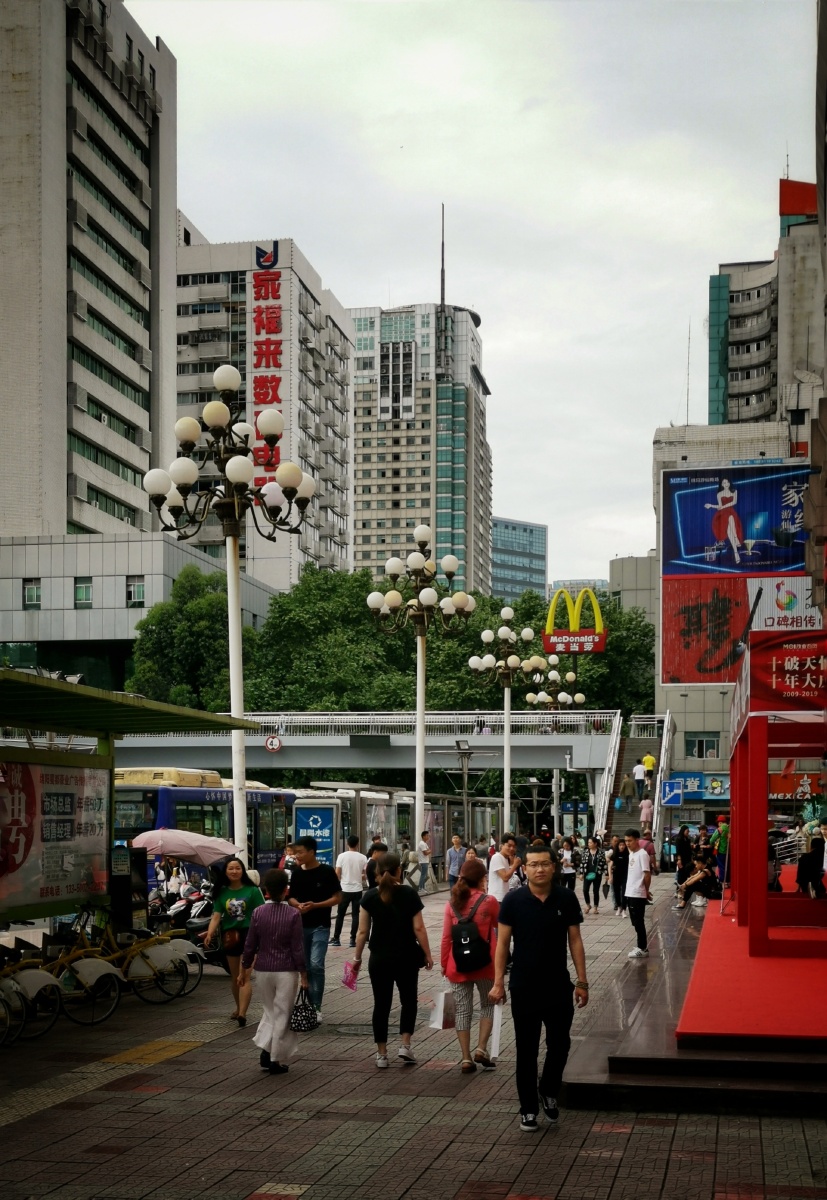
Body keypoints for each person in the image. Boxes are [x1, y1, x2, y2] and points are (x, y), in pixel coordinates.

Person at [488, 844, 588, 1132]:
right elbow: (502, 945)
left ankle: (548, 1089)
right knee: (526, 1050)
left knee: (560, 1045)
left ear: (554, 866)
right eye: (533, 865)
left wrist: (581, 981)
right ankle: (528, 1108)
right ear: (525, 868)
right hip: (524, 986)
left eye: (545, 864)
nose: (539, 869)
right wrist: (498, 983)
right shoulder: (513, 901)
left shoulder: (566, 898)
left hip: (558, 985)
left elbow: (575, 941)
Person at [352, 851, 433, 1068]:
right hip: (406, 957)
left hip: (379, 958)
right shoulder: (409, 894)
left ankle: (381, 1054)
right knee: (409, 1001)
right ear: (399, 870)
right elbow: (419, 928)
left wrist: (357, 958)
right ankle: (405, 1045)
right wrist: (427, 954)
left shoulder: (369, 897)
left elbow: (362, 932)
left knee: (381, 1004)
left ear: (377, 872)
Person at [239, 868, 307, 1074]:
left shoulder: (258, 912)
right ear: (286, 890)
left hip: (263, 970)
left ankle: (267, 1051)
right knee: (282, 1014)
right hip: (286, 970)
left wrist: (244, 969)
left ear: (266, 890)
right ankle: (274, 1058)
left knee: (269, 1011)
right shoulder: (294, 914)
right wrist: (304, 974)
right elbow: (297, 947)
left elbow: (250, 944)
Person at [440, 858, 499, 1073]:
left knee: (463, 1011)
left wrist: (444, 964)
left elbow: (446, 938)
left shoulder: (451, 904)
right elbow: (498, 926)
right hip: (485, 964)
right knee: (488, 1004)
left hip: (458, 965)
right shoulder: (489, 901)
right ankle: (481, 1048)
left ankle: (466, 1058)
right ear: (482, 878)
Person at [202, 856, 265, 1026]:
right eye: (231, 868)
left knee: (244, 974)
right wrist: (209, 934)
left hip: (250, 935)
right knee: (235, 976)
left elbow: (262, 913)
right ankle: (238, 1008)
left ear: (242, 871)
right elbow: (216, 916)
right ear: (226, 872)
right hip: (230, 936)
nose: (234, 871)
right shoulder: (222, 892)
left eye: (238, 868)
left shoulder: (253, 890)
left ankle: (243, 1013)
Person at [286, 836, 342, 1020]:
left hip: (320, 925)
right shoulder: (296, 873)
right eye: (295, 853)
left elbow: (337, 897)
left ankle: (317, 1006)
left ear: (312, 852)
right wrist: (298, 905)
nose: (297, 856)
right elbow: (291, 897)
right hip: (300, 926)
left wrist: (316, 905)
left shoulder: (326, 871)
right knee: (305, 967)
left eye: (300, 852)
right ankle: (310, 1007)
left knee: (316, 964)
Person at [330, 835, 367, 948]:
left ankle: (336, 938)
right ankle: (352, 940)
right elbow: (364, 876)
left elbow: (337, 873)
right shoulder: (363, 857)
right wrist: (357, 877)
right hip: (358, 890)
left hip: (344, 889)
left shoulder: (341, 856)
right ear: (357, 844)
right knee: (356, 915)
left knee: (340, 914)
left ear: (347, 844)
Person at [624, 830, 651, 958]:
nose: (627, 843)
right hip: (630, 892)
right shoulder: (632, 854)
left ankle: (642, 947)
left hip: (638, 893)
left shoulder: (642, 854)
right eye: (626, 840)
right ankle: (640, 945)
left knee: (639, 921)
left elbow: (647, 874)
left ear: (637, 840)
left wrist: (646, 890)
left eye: (630, 841)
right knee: (635, 921)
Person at [705, 477, 743, 562]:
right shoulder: (719, 494)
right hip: (722, 514)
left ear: (729, 483)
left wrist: (724, 506)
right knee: (730, 519)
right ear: (722, 485)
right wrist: (711, 505)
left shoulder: (734, 491)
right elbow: (719, 507)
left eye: (727, 482)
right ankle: (736, 539)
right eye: (724, 483)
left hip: (731, 511)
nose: (725, 484)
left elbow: (734, 502)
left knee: (730, 522)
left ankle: (736, 553)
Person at [488, 834, 520, 902]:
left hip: (503, 897)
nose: (511, 848)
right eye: (509, 845)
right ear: (502, 845)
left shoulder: (506, 859)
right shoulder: (497, 857)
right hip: (496, 898)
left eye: (514, 847)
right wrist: (515, 865)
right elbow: (505, 878)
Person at [580, 837, 607, 915]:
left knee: (595, 891)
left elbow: (604, 864)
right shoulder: (585, 852)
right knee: (585, 890)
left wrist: (606, 874)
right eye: (588, 842)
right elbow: (582, 863)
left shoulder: (601, 852)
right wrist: (581, 873)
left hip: (597, 874)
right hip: (587, 874)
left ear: (595, 843)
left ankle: (595, 907)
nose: (589, 844)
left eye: (590, 842)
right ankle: (588, 905)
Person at [609, 837, 629, 916]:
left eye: (623, 845)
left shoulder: (628, 854)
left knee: (624, 892)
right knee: (616, 892)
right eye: (620, 845)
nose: (622, 846)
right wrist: (610, 876)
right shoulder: (615, 854)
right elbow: (610, 866)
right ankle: (619, 907)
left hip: (625, 876)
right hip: (616, 875)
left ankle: (624, 909)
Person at [710, 817, 730, 884]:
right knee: (729, 866)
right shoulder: (730, 828)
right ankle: (728, 881)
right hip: (729, 851)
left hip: (721, 851)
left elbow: (711, 840)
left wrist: (712, 843)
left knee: (721, 866)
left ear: (720, 822)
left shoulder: (720, 829)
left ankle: (723, 881)